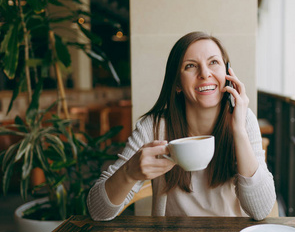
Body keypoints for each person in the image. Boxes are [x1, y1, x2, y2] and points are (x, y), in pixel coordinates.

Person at [87, 31, 276, 221]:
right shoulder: (153, 127)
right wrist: (129, 173)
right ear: (177, 83)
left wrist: (239, 131)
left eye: (213, 62)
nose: (205, 74)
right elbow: (97, 211)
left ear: (227, 73)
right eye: (191, 66)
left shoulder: (244, 120)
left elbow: (260, 210)